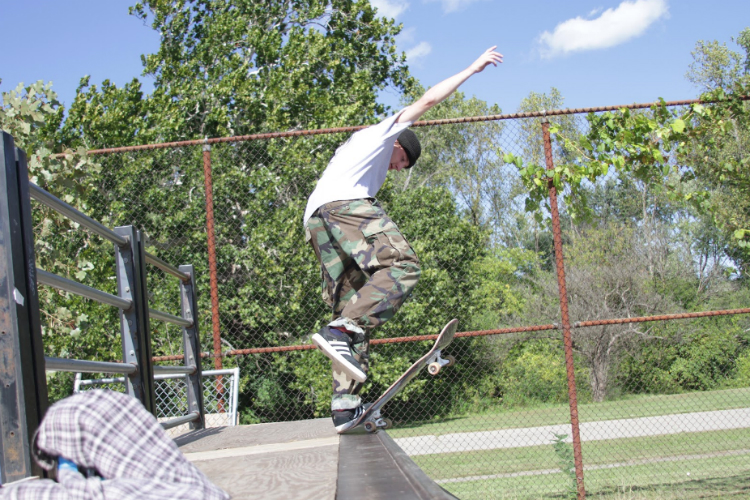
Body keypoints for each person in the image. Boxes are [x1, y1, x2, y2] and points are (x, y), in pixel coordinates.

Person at [304, 46, 503, 431]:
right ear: (399, 145)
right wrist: (471, 68)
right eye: (402, 162)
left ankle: (345, 406)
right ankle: (342, 331)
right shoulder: (382, 133)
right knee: (403, 265)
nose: (397, 168)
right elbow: (429, 99)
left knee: (352, 306)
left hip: (316, 219)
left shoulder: (352, 153)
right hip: (345, 205)